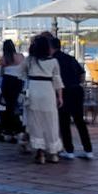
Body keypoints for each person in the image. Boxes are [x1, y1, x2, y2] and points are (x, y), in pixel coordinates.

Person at [50, 36, 94, 159]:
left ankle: (69, 150)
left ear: (50, 47)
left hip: (63, 91)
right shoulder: (70, 58)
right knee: (80, 121)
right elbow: (82, 74)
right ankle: (88, 150)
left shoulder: (52, 60)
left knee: (64, 122)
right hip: (76, 90)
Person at [24, 34, 63, 164]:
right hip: (48, 91)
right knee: (51, 122)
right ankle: (53, 153)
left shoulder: (30, 61)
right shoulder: (53, 61)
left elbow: (21, 74)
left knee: (36, 123)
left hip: (34, 91)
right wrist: (60, 96)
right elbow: (57, 81)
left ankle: (40, 153)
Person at [0, 40, 26, 142]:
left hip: (7, 82)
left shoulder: (5, 59)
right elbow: (24, 70)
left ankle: (9, 129)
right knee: (14, 105)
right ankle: (16, 128)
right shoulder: (20, 57)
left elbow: (1, 73)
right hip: (17, 82)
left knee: (9, 106)